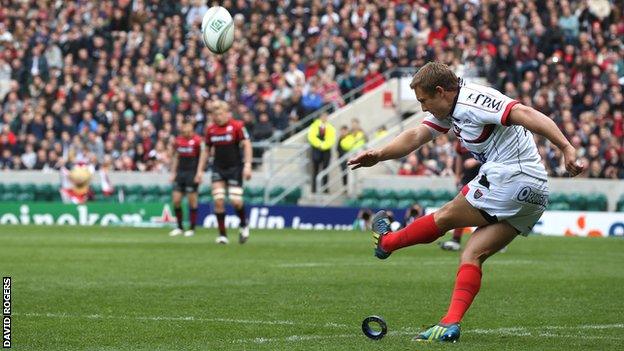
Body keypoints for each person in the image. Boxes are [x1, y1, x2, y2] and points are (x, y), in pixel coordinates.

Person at [347, 62, 584, 342]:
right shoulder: (451, 109)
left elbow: (525, 113)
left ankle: (387, 243)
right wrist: (380, 154)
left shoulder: (474, 100)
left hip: (511, 176)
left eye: (424, 101)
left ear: (440, 92)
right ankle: (450, 324)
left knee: (446, 216)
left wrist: (567, 147)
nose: (423, 108)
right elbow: (416, 135)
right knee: (472, 253)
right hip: (534, 193)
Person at [205, 101, 253, 244]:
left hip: (234, 168)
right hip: (218, 168)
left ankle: (244, 224)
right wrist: (199, 171)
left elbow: (247, 144)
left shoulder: (237, 126)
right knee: (218, 200)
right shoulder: (210, 130)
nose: (218, 117)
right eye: (215, 114)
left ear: (227, 113)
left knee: (236, 201)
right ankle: (223, 235)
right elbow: (206, 150)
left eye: (220, 114)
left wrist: (248, 165)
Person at [439, 141, 481, 251]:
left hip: (484, 176)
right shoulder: (461, 136)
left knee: (486, 208)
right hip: (467, 177)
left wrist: (476, 160)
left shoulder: (484, 129)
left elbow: (494, 152)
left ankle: (496, 241)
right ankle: (456, 240)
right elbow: (458, 156)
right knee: (460, 207)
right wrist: (457, 175)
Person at [169, 118, 206, 237]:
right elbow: (176, 157)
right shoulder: (178, 141)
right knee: (176, 200)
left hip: (192, 172)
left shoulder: (197, 141)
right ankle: (179, 227)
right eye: (184, 131)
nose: (187, 133)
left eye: (189, 131)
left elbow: (202, 158)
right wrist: (173, 172)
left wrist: (199, 173)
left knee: (192, 201)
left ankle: (192, 228)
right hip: (180, 173)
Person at [307, 112, 336, 193]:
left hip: (326, 150)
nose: (325, 118)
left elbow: (331, 138)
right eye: (323, 116)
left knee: (325, 170)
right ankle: (314, 189)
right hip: (316, 150)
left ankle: (325, 189)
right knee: (315, 170)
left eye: (326, 116)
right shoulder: (314, 126)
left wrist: (324, 145)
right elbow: (311, 137)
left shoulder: (330, 127)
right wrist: (319, 144)